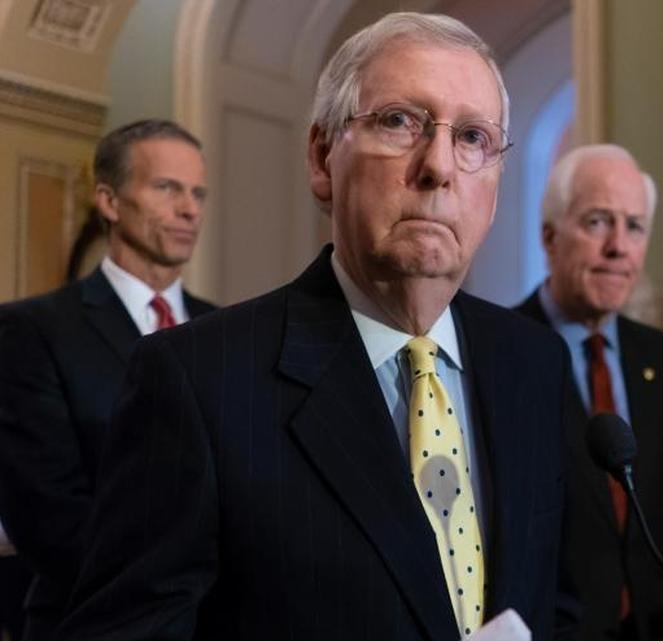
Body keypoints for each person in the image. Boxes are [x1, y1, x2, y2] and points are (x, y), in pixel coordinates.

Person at [55, 12, 570, 641]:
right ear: (323, 157)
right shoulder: (198, 380)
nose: (439, 166)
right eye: (400, 121)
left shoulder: (535, 361)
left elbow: (559, 604)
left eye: (472, 137)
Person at [0, 118, 215, 641]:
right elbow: (46, 516)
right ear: (110, 202)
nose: (190, 209)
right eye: (167, 188)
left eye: (198, 193)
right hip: (89, 623)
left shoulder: (224, 329)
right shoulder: (32, 330)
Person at [515, 144, 663, 640]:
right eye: (598, 222)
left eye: (635, 226)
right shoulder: (498, 353)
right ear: (549, 237)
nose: (619, 247)